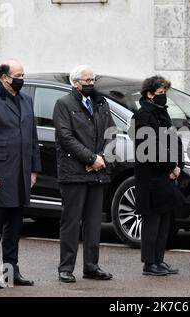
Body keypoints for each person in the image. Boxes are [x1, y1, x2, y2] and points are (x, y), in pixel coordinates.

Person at [0, 60, 41, 288]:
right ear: (4, 77)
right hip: (0, 175)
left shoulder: (26, 99)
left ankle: (9, 273)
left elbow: (32, 138)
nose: (22, 78)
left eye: (23, 74)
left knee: (15, 227)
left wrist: (34, 169)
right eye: (18, 75)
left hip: (22, 174)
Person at [53, 65, 115, 283]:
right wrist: (91, 159)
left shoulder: (101, 103)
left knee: (93, 222)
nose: (91, 83)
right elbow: (65, 137)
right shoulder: (63, 104)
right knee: (71, 222)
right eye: (87, 80)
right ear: (75, 83)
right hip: (74, 173)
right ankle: (66, 267)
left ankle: (91, 266)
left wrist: (102, 158)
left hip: (98, 172)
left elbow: (111, 132)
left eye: (93, 79)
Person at [132, 75, 184, 276]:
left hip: (166, 175)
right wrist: (171, 166)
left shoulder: (162, 113)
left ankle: (159, 260)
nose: (164, 97)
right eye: (160, 93)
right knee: (152, 222)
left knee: (164, 220)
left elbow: (174, 140)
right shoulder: (143, 116)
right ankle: (149, 263)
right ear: (149, 94)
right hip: (151, 176)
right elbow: (150, 149)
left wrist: (177, 164)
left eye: (165, 93)